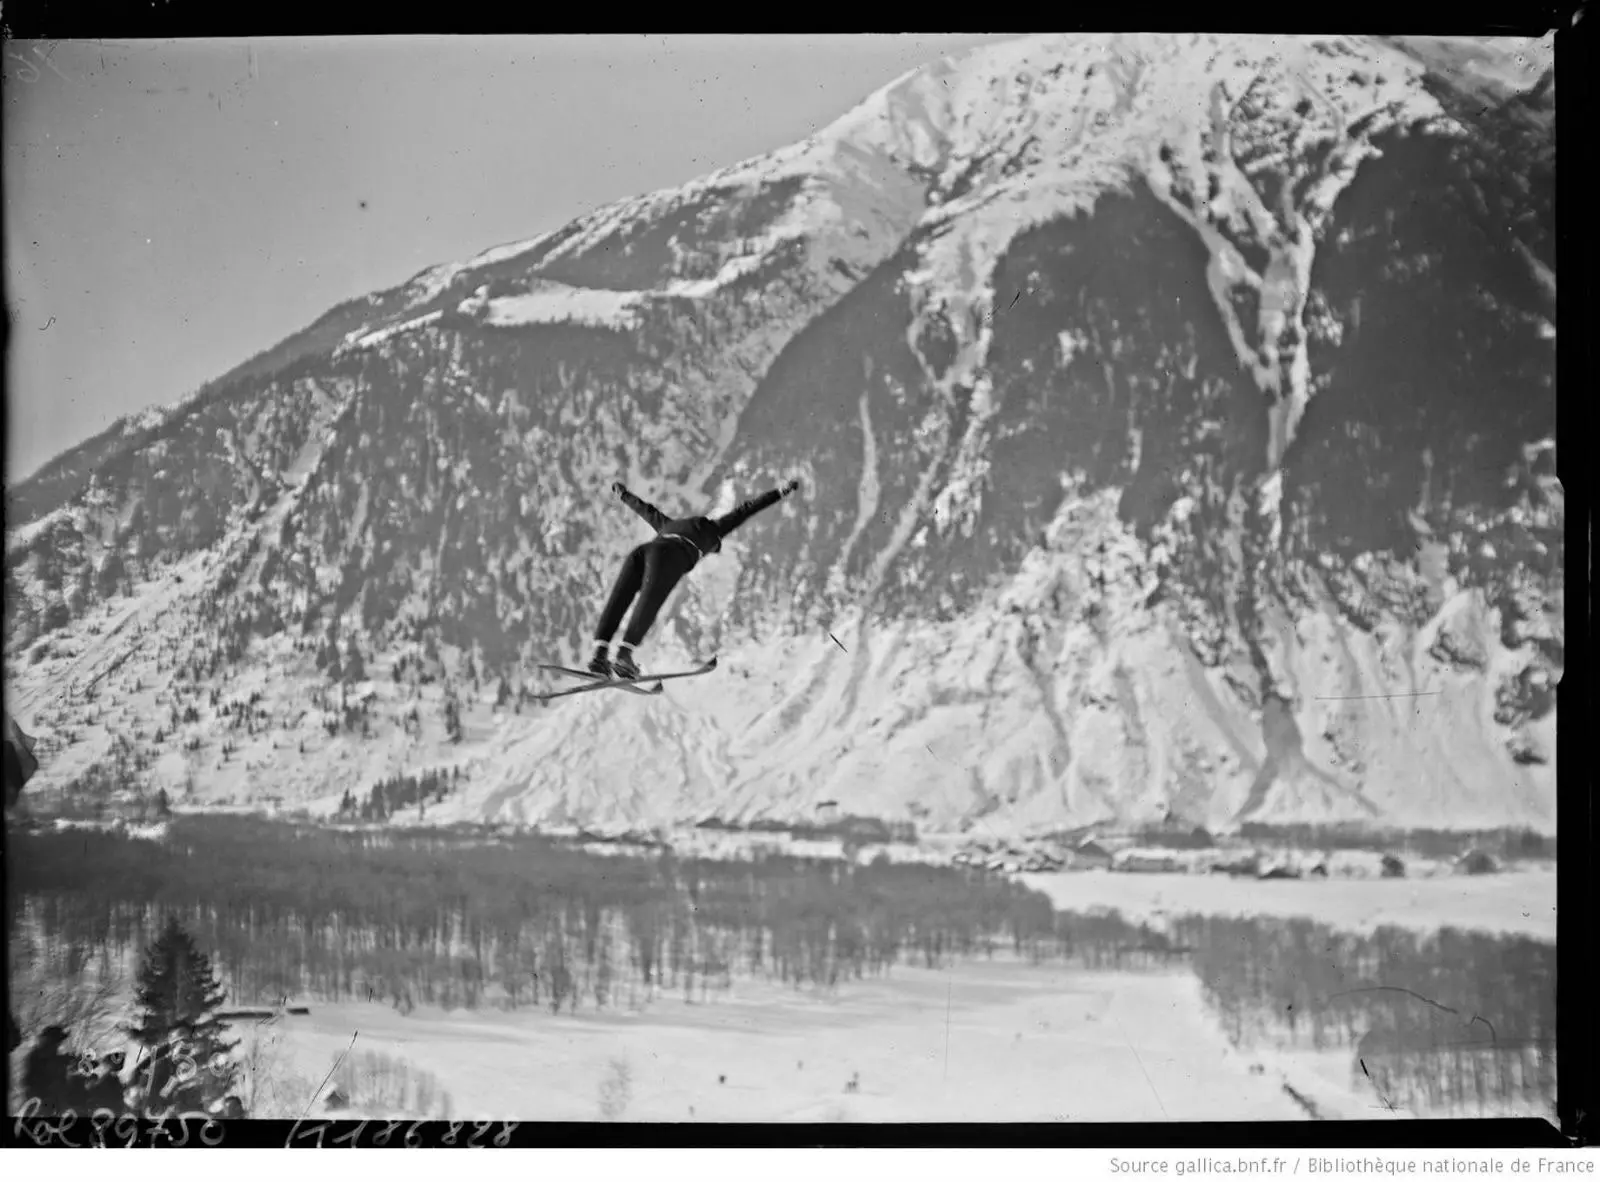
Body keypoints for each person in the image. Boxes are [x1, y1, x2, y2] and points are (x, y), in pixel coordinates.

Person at [589, 477, 801, 679]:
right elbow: (746, 510)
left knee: (620, 597)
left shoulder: (667, 524)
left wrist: (623, 494)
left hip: (643, 551)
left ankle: (600, 654)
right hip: (668, 557)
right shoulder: (716, 530)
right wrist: (780, 492)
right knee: (649, 601)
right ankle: (624, 656)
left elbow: (645, 510)